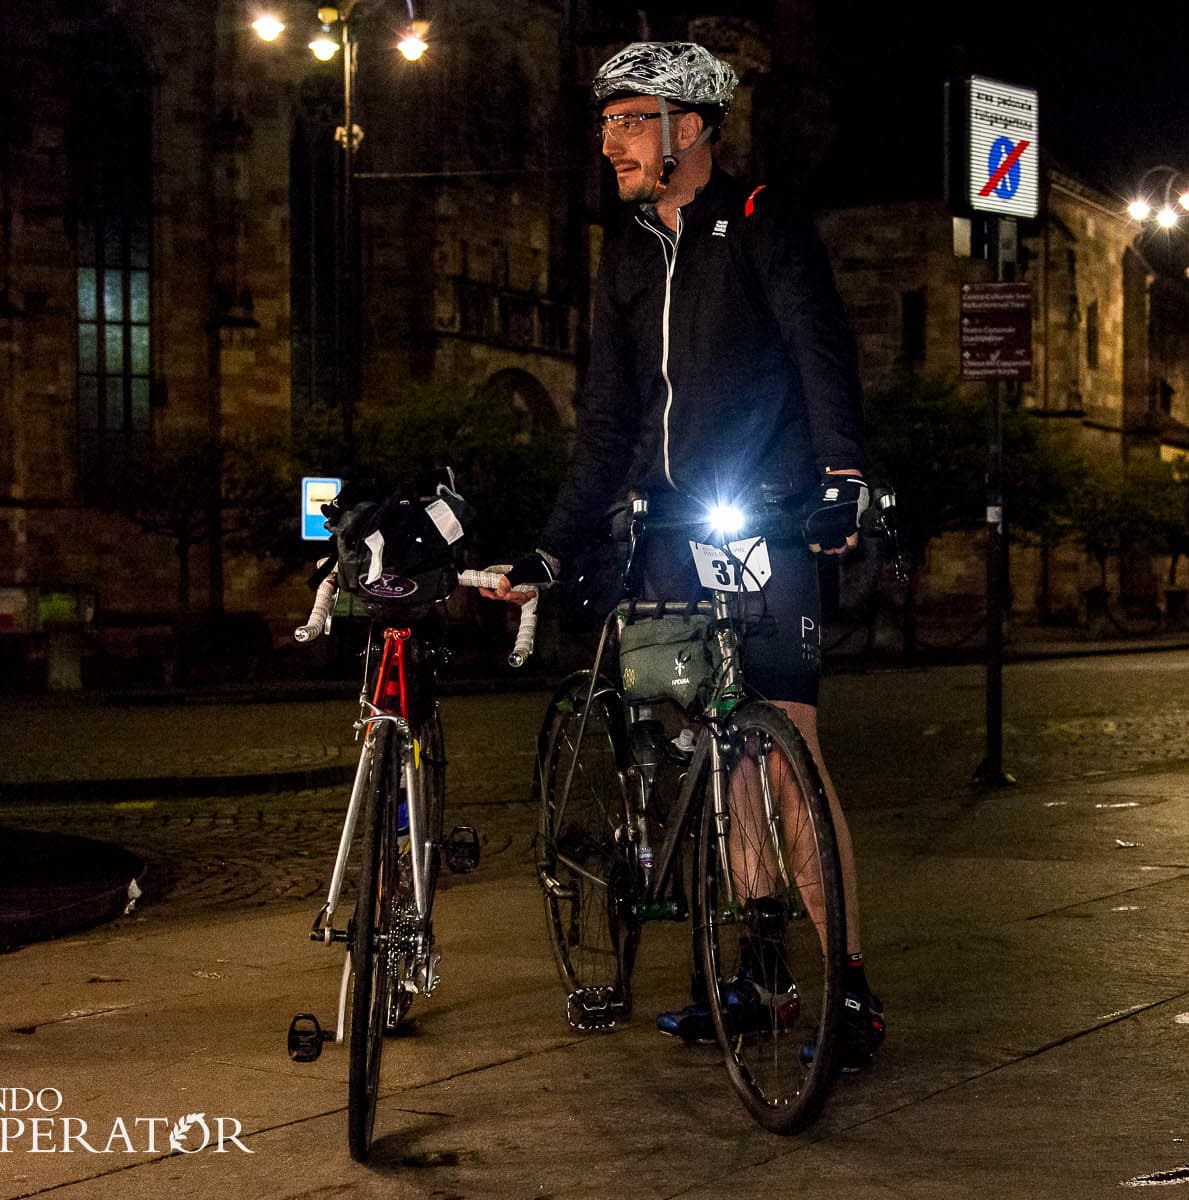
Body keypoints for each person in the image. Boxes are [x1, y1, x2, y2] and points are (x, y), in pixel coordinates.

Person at [484, 40, 883, 1072]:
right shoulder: (624, 256)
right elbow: (605, 425)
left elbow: (820, 348)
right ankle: (760, 976)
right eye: (606, 124)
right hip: (667, 529)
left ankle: (849, 989)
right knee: (720, 751)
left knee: (785, 753)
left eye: (630, 122)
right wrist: (552, 548)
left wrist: (843, 474)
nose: (610, 143)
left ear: (687, 128)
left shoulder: (760, 220)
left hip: (764, 521)